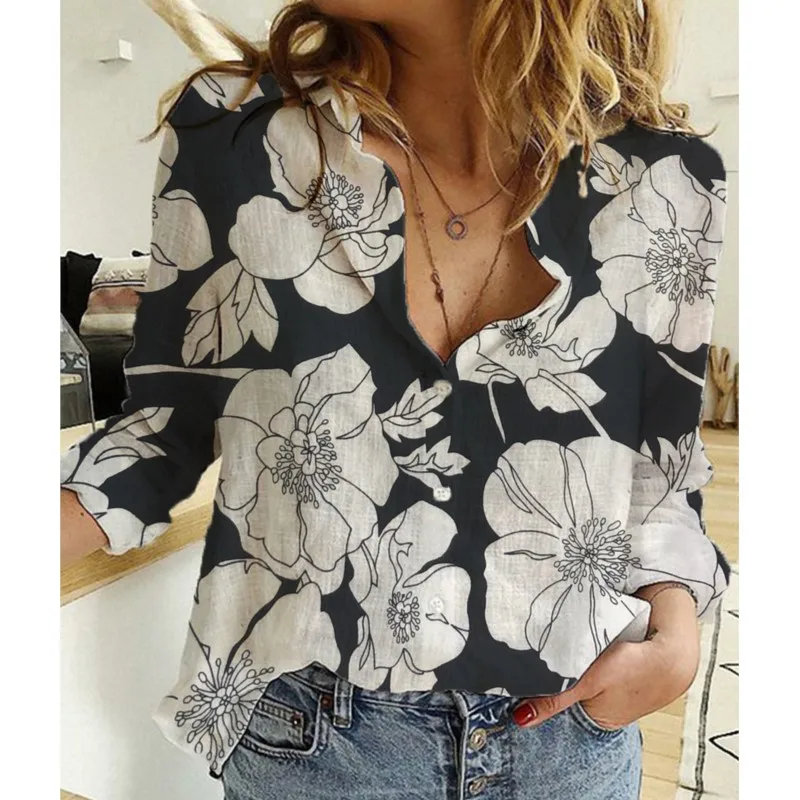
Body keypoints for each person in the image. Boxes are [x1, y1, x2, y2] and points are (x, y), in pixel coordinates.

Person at [60, 1, 731, 797]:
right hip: (315, 743)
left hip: (573, 736)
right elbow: (166, 425)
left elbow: (658, 471)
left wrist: (676, 629)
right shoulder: (236, 132)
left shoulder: (666, 178)